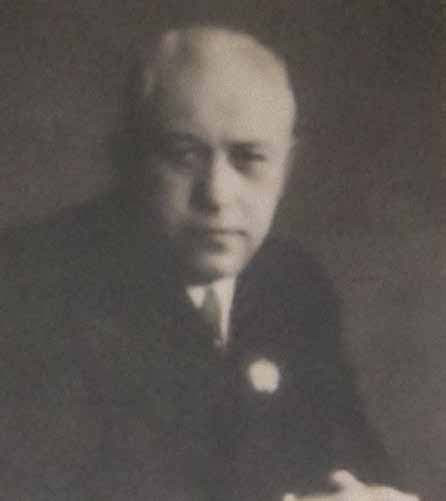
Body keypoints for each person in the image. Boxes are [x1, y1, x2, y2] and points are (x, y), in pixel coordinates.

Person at [0, 25, 418, 501]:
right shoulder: (27, 286)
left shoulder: (292, 284)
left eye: (249, 159)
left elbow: (355, 460)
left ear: (285, 167)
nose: (217, 194)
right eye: (184, 156)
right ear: (127, 159)